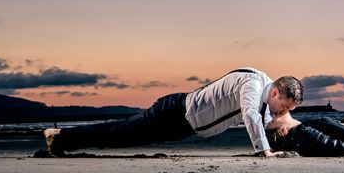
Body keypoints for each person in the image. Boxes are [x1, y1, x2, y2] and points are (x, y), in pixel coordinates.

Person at [43, 68, 303, 157]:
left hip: (183, 125)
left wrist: (293, 130)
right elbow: (250, 115)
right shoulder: (253, 84)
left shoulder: (265, 97)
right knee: (120, 132)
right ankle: (59, 137)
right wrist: (264, 150)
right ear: (276, 93)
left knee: (122, 138)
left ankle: (64, 141)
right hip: (174, 112)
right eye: (286, 106)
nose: (284, 111)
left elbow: (267, 119)